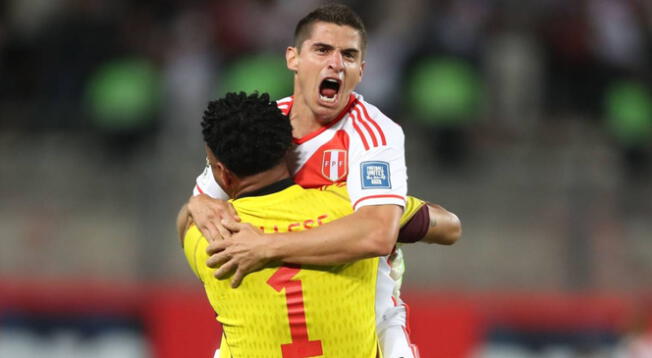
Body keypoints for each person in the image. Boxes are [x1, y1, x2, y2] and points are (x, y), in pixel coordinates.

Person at [181, 4, 461, 357]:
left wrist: (266, 246)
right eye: (322, 50)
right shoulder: (261, 125)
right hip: (272, 311)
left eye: (349, 54)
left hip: (363, 314)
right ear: (293, 58)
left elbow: (377, 234)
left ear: (361, 70)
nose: (336, 63)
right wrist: (197, 203)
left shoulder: (372, 134)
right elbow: (191, 221)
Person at [179, 92, 433, 357]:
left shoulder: (205, 239)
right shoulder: (353, 208)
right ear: (289, 148)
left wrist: (194, 205)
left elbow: (184, 225)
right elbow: (446, 226)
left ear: (223, 173)